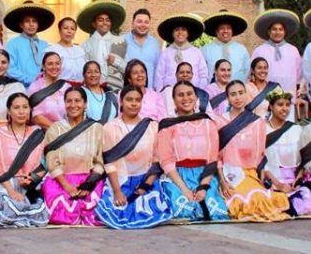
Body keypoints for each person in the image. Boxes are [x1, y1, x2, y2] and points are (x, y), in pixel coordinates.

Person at [95, 85, 172, 229]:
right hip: (120, 180)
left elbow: (157, 160)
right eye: (129, 99)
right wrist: (117, 192)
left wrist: (145, 185)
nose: (134, 103)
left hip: (146, 179)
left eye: (138, 100)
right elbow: (109, 162)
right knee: (119, 211)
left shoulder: (152, 126)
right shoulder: (110, 128)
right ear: (121, 102)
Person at [216, 80, 290, 222]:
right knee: (245, 201)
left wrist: (261, 178)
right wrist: (222, 181)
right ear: (227, 98)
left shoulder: (257, 122)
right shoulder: (220, 121)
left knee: (259, 198)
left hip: (250, 173)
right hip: (228, 174)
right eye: (233, 94)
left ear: (246, 95)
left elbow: (260, 154)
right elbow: (216, 154)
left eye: (241, 93)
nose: (238, 98)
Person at [157, 81, 229, 222]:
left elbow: (212, 158)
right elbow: (166, 161)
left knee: (214, 212)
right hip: (177, 176)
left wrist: (203, 187)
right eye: (180, 95)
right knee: (183, 210)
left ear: (196, 98)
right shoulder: (167, 126)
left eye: (189, 94)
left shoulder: (208, 123)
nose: (185, 98)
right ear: (173, 100)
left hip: (204, 175)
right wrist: (184, 190)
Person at [0, 92, 50, 228]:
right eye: (16, 108)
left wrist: (32, 178)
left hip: (31, 186)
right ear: (9, 111)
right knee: (8, 206)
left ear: (30, 110)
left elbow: (45, 163)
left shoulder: (37, 133)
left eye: (25, 107)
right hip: (4, 184)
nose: (21, 112)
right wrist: (11, 191)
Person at [41, 87, 105, 226]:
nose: (73, 105)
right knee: (62, 213)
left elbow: (100, 162)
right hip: (61, 180)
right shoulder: (55, 129)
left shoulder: (96, 128)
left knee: (95, 211)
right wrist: (67, 186)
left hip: (89, 180)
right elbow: (52, 163)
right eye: (69, 101)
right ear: (64, 104)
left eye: (77, 101)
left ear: (85, 104)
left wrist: (89, 183)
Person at [261, 87, 311, 216]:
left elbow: (304, 159)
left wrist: (299, 178)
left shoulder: (296, 129)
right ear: (271, 107)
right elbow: (260, 161)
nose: (284, 109)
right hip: (272, 178)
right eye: (280, 105)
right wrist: (278, 184)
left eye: (287, 105)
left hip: (295, 179)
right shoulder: (262, 129)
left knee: (307, 203)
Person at [250, 9, 303, 121]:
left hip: (287, 99)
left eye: (280, 29)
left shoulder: (293, 50)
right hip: (265, 101)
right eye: (274, 29)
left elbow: (299, 75)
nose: (277, 32)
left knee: (287, 133)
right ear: (269, 32)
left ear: (284, 32)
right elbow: (252, 74)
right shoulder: (259, 50)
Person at [4, 1, 54, 87]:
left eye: (34, 21)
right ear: (21, 25)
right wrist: (29, 79)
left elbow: (49, 66)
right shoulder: (12, 44)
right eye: (27, 21)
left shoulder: (45, 45)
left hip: (42, 89)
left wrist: (42, 81)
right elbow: (9, 68)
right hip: (20, 88)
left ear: (38, 25)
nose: (31, 24)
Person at [79, 0, 127, 89]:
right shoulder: (86, 45)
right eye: (100, 20)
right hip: (92, 89)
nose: (105, 23)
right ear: (94, 24)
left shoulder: (120, 42)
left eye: (107, 20)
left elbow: (128, 69)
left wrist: (116, 62)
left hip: (116, 88)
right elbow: (82, 69)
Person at [154, 14, 208, 90]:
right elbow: (159, 76)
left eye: (183, 29)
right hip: (169, 93)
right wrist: (161, 93)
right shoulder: (166, 53)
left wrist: (198, 91)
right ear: (172, 33)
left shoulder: (196, 52)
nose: (180, 32)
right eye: (177, 30)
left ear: (188, 33)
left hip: (192, 92)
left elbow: (203, 75)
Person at [201, 10, 250, 82]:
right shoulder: (206, 49)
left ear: (232, 31)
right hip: (214, 91)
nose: (225, 31)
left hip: (238, 89)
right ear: (216, 31)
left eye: (228, 28)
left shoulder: (241, 49)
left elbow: (247, 70)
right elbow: (203, 73)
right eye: (222, 28)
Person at [28, 52, 70, 130]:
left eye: (57, 63)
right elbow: (36, 117)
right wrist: (58, 130)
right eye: (50, 64)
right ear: (43, 67)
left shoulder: (67, 87)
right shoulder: (35, 87)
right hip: (43, 133)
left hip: (67, 131)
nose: (54, 67)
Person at [121, 8, 161, 90]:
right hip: (128, 93)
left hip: (149, 93)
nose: (143, 25)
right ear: (132, 23)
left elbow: (158, 70)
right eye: (139, 21)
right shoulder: (121, 41)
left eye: (146, 22)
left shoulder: (154, 43)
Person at [44, 17, 86, 83]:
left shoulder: (80, 50)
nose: (69, 31)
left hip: (80, 89)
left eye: (72, 29)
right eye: (65, 28)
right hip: (59, 89)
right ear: (59, 30)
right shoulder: (52, 50)